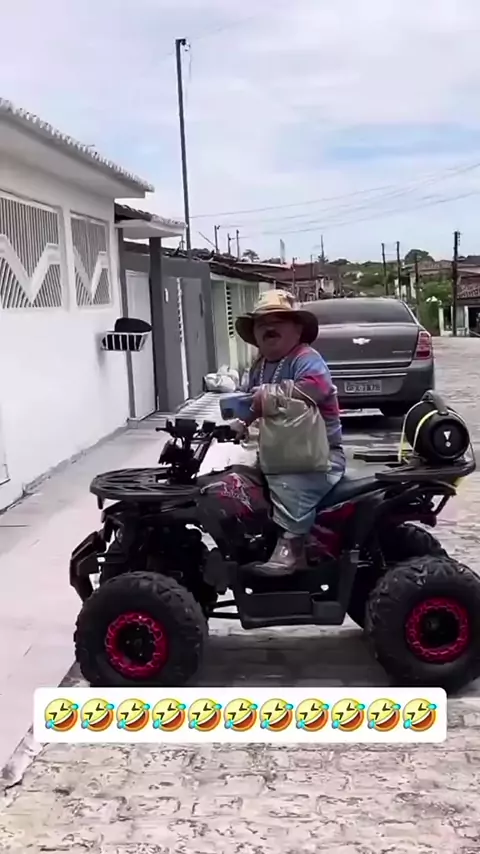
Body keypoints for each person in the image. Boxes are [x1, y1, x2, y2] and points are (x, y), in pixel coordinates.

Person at [235, 289, 345, 577]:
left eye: (279, 321)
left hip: (316, 457)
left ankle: (292, 546)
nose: (269, 327)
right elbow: (250, 403)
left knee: (292, 487)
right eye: (262, 323)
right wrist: (239, 422)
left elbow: (317, 388)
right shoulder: (259, 366)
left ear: (297, 329)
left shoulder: (306, 359)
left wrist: (269, 396)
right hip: (279, 454)